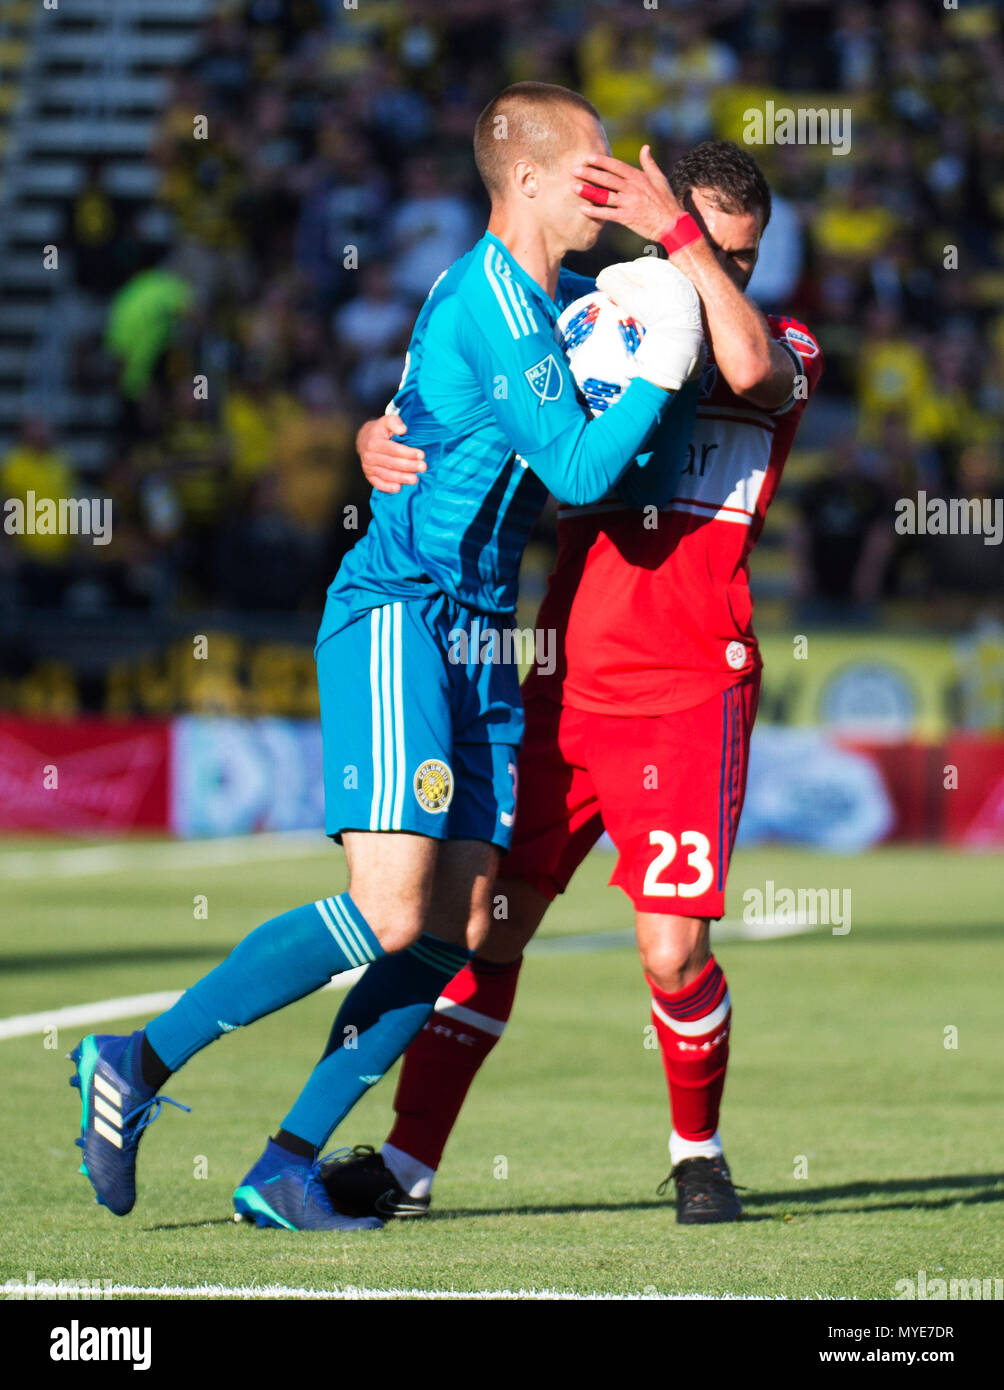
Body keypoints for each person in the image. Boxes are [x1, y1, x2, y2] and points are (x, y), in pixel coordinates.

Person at [68, 84, 703, 1231]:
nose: (604, 187)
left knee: (463, 926)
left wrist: (381, 428)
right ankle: (135, 1059)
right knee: (390, 909)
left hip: (477, 634)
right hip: (401, 611)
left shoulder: (558, 302)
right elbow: (570, 468)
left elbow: (430, 413)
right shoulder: (494, 300)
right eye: (589, 169)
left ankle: (284, 1161)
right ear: (524, 179)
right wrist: (661, 366)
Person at [322, 141, 824, 1225]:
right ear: (649, 224)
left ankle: (698, 1154)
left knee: (669, 946)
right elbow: (463, 396)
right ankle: (407, 1168)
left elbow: (743, 374)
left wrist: (689, 258)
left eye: (744, 258)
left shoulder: (778, 344)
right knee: (485, 923)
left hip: (689, 686)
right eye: (712, 250)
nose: (730, 277)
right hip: (562, 679)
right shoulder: (590, 322)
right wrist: (376, 436)